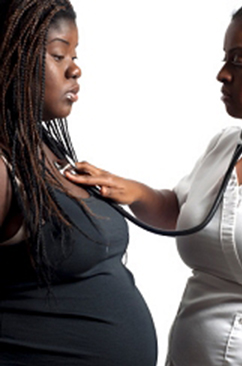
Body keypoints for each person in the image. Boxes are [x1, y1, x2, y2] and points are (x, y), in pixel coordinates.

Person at [66, 0, 242, 364]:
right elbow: (183, 214)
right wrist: (130, 190)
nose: (222, 74)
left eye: (239, 60)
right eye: (225, 59)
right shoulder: (226, 144)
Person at [0, 1, 157, 365]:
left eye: (74, 54)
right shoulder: (4, 167)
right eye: (58, 55)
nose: (75, 69)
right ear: (11, 58)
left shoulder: (47, 149)